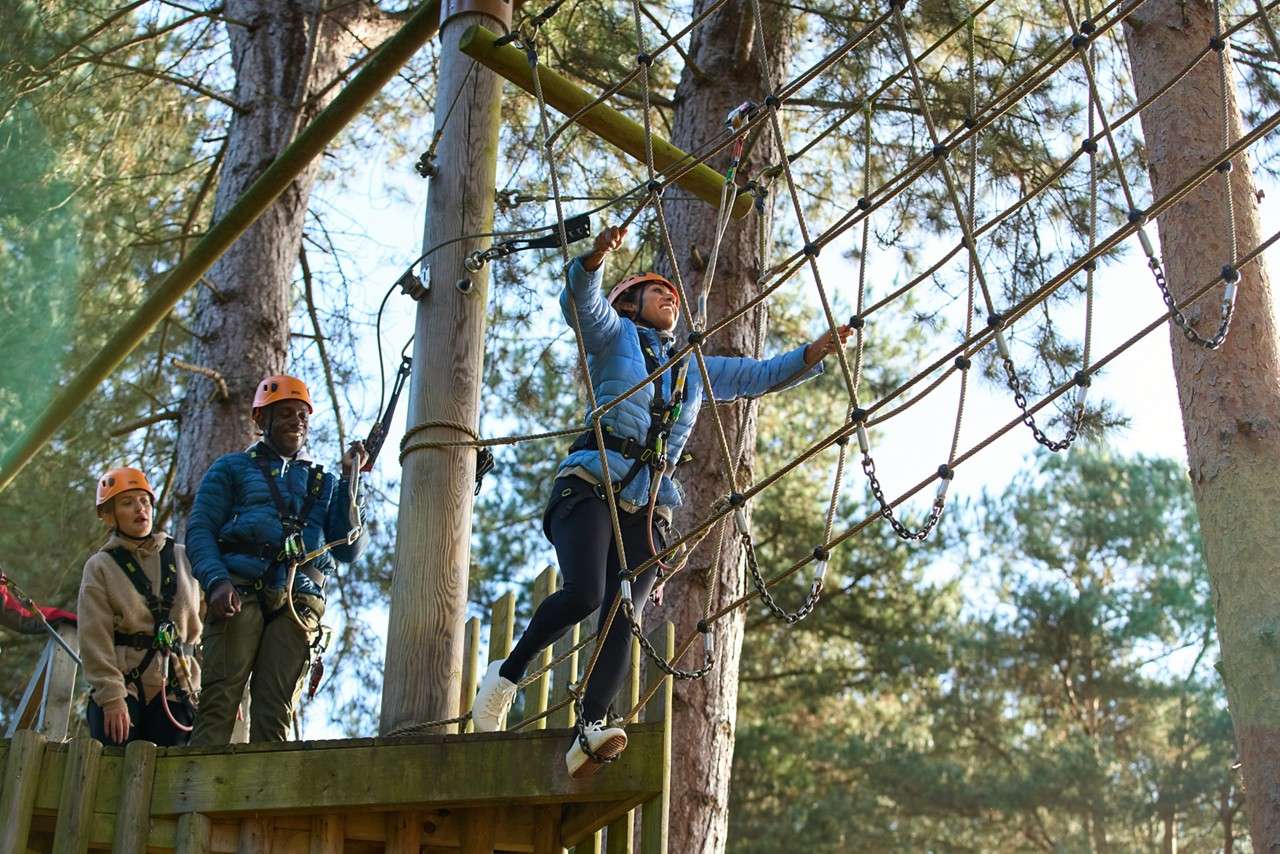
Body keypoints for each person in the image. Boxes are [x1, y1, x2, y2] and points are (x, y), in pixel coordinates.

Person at [471, 225, 852, 777]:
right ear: (629, 302)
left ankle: (592, 724)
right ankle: (508, 674)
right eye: (656, 290)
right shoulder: (613, 337)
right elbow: (581, 300)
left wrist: (813, 354)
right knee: (585, 594)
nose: (669, 295)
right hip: (593, 483)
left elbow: (759, 376)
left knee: (624, 610)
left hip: (648, 502)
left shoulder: (691, 366)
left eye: (673, 293)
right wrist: (597, 257)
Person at [185, 374, 367, 745]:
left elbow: (347, 548)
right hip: (240, 590)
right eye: (285, 413)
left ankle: (262, 802)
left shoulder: (325, 482)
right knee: (219, 701)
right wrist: (217, 581)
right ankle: (194, 796)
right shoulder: (231, 469)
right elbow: (200, 530)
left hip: (298, 603)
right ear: (260, 420)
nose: (296, 421)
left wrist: (351, 480)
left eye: (302, 415)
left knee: (276, 710)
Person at [78, 466, 201, 746]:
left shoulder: (184, 559)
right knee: (112, 769)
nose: (139, 509)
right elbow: (94, 637)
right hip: (124, 687)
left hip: (178, 689)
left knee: (171, 782)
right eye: (127, 502)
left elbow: (210, 629)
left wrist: (220, 691)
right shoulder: (101, 566)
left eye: (144, 501)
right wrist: (111, 698)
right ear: (110, 515)